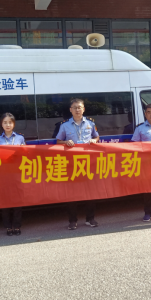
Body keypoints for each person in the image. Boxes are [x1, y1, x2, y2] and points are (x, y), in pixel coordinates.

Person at [56, 98, 100, 230]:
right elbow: (58, 141)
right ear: (70, 110)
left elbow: (97, 136)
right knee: (72, 193)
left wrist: (94, 140)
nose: (77, 110)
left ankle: (90, 219)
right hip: (72, 164)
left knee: (90, 192)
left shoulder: (90, 123)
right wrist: (66, 142)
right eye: (74, 107)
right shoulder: (64, 125)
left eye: (79, 107)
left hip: (88, 163)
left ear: (83, 109)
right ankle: (72, 220)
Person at [0, 113, 26, 236]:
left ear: (13, 124)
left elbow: (26, 155)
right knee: (5, 201)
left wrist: (24, 149)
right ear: (1, 124)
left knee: (17, 201)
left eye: (10, 122)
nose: (7, 125)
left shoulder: (20, 138)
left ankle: (17, 225)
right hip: (4, 174)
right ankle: (8, 227)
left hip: (17, 173)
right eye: (5, 122)